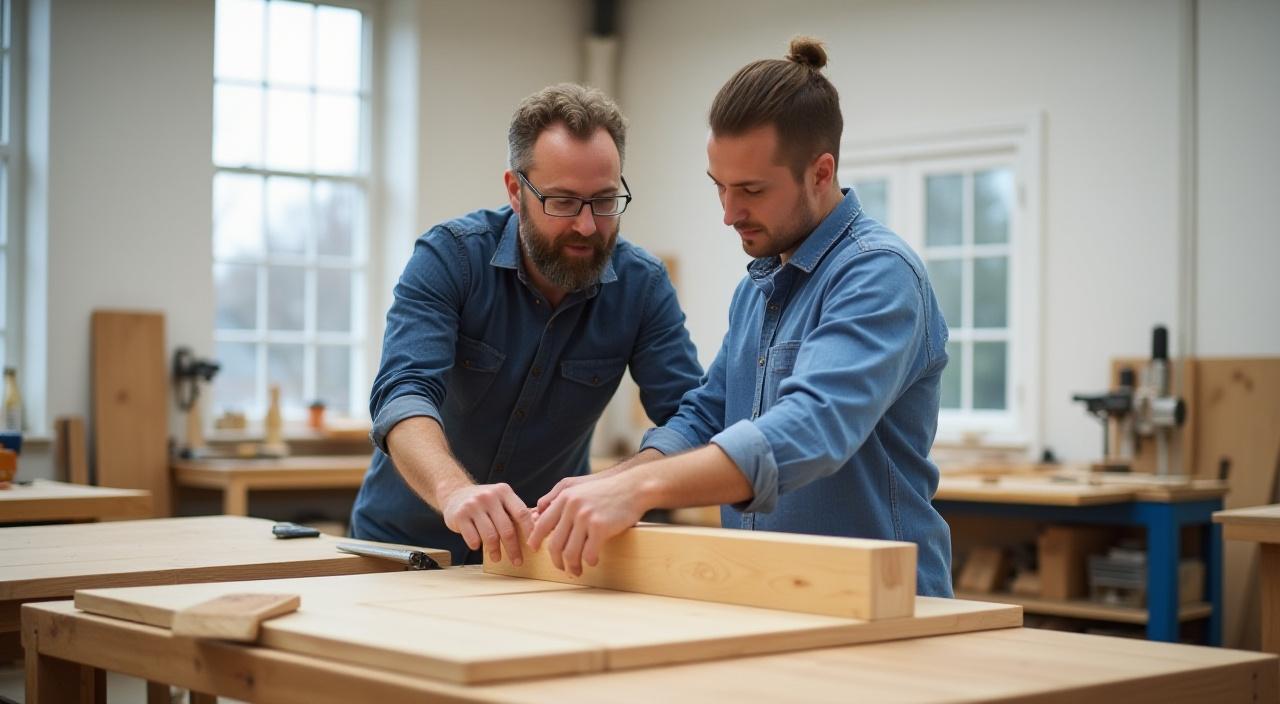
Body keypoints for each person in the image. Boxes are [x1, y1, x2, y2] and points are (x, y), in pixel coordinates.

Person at [528, 38, 954, 597]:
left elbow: (813, 427)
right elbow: (704, 418)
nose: (729, 214)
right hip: (778, 597)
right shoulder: (759, 287)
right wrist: (607, 484)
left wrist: (641, 490)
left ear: (820, 173)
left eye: (751, 190)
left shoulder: (879, 274)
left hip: (887, 607)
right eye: (719, 187)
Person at [350, 83, 703, 567]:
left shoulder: (642, 286)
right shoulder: (449, 258)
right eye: (562, 202)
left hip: (537, 561)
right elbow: (403, 393)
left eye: (603, 201)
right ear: (516, 191)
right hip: (402, 549)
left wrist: (623, 484)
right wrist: (453, 492)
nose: (585, 225)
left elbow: (692, 419)